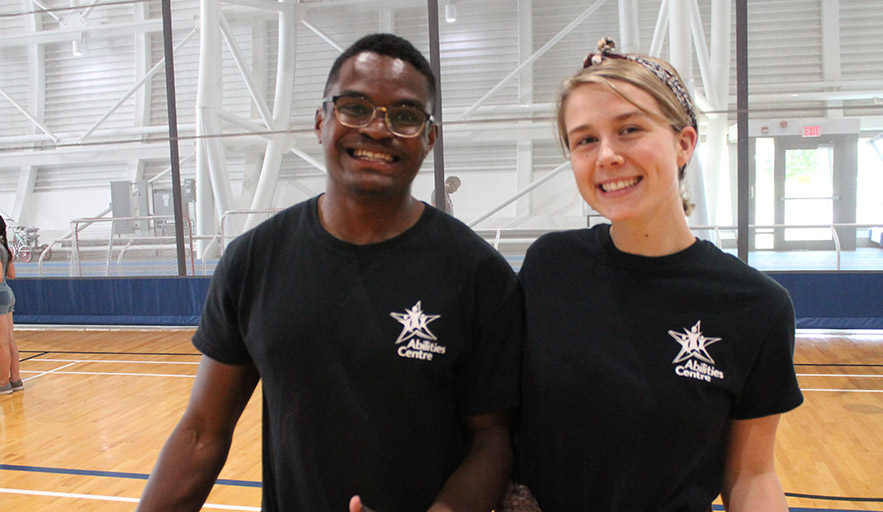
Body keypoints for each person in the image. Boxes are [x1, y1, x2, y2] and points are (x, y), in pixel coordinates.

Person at [137, 33, 522, 512]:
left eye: (404, 116)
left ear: (429, 137)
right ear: (322, 121)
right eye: (355, 108)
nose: (378, 130)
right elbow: (201, 433)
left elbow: (492, 441)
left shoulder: (478, 274)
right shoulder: (254, 260)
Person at [515, 38, 803, 511]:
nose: (606, 154)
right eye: (585, 139)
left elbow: (752, 474)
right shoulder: (550, 264)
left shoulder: (756, 306)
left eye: (629, 129)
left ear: (684, 143)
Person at [0, 216, 23, 395]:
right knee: (10, 341)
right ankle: (15, 379)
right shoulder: (5, 248)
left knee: (1, 343)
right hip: (7, 294)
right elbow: (11, 274)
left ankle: (2, 383)